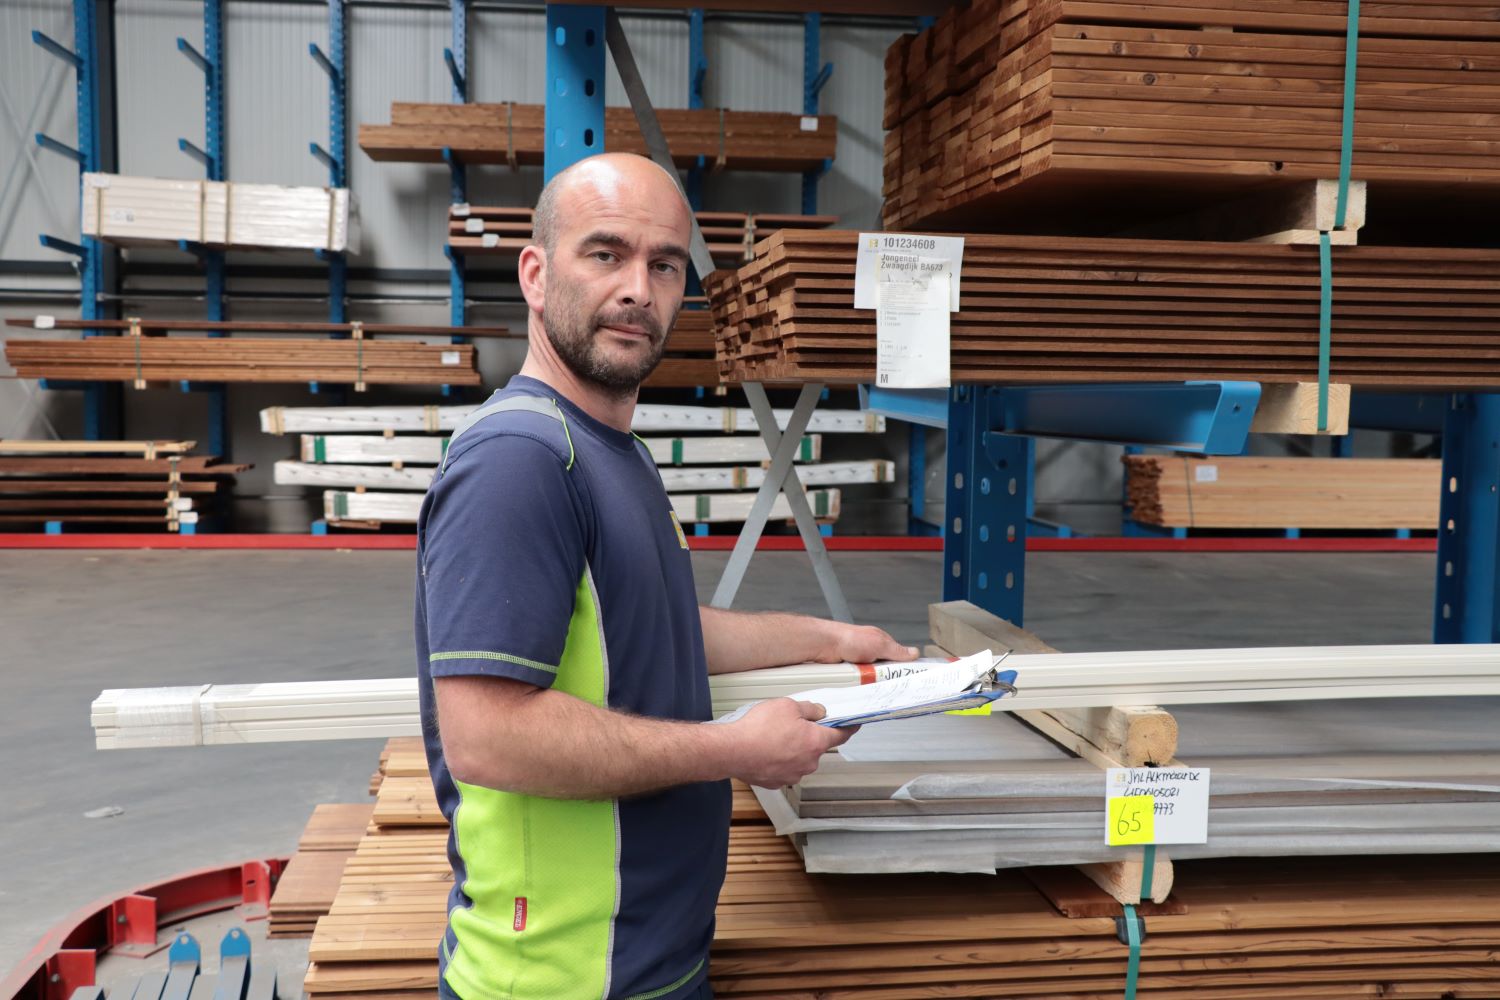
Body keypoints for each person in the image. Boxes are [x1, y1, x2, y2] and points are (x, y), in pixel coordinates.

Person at [414, 152, 918, 1000]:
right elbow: (487, 733)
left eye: (665, 265)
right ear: (535, 274)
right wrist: (734, 751)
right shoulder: (520, 462)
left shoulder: (618, 452)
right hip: (559, 980)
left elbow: (652, 627)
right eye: (605, 254)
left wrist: (834, 640)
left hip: (652, 960)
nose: (638, 289)